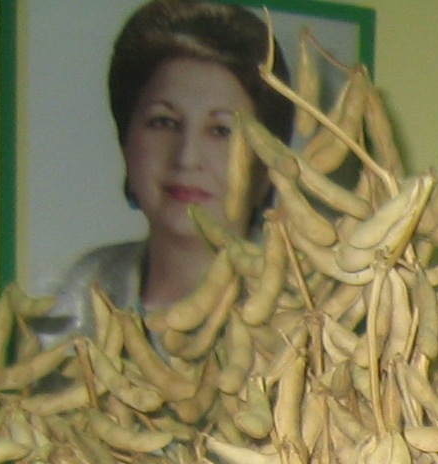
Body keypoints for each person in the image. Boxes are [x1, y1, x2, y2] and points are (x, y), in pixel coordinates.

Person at [38, 0, 292, 342]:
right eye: (164, 122)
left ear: (268, 163)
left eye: (221, 130)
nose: (186, 157)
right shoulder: (76, 290)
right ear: (126, 142)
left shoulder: (307, 310)